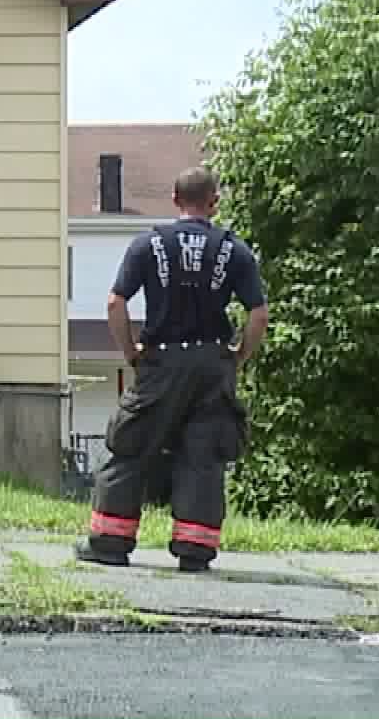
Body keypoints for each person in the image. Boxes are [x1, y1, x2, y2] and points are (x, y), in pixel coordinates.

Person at [77, 165, 269, 573]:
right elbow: (258, 313)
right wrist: (239, 355)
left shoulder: (148, 245)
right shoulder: (235, 250)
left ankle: (110, 542)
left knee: (129, 446)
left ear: (174, 200)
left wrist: (131, 352)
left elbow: (115, 303)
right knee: (204, 455)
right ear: (214, 203)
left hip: (160, 360)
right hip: (212, 363)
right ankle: (194, 550)